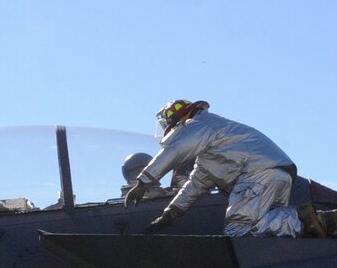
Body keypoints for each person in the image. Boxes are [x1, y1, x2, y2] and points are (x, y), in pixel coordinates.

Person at [124, 100, 304, 237]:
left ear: (177, 120)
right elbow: (195, 184)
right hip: (278, 174)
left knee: (238, 229)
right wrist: (169, 215)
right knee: (266, 231)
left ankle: (301, 219)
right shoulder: (211, 150)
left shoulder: (198, 124)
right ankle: (309, 221)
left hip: (256, 174)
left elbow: (175, 151)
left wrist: (142, 183)